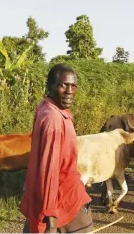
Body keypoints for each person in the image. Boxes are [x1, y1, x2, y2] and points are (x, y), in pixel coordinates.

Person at [21, 63, 93, 233]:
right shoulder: (54, 119)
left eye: (73, 86)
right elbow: (49, 172)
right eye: (63, 85)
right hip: (63, 200)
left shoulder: (46, 107)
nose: (70, 91)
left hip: (59, 195)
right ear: (50, 86)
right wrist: (51, 222)